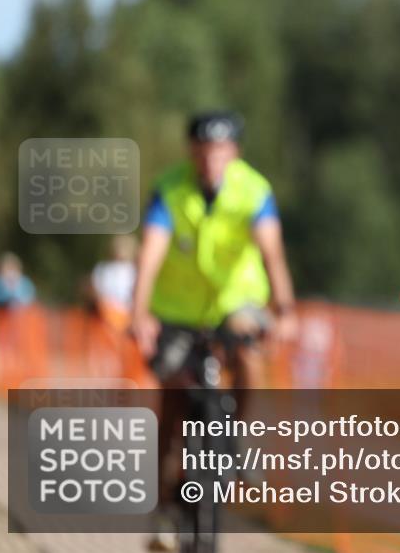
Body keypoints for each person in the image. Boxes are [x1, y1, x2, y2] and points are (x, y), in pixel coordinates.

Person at [129, 110, 296, 550]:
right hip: (176, 311)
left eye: (220, 151)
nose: (210, 160)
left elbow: (272, 254)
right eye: (203, 152)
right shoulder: (170, 190)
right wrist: (138, 312)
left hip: (234, 301)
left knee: (248, 350)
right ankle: (165, 506)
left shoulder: (254, 190)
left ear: (234, 152)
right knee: (171, 399)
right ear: (191, 152)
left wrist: (285, 309)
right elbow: (149, 256)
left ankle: (239, 436)